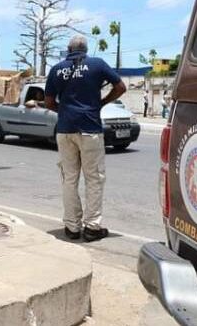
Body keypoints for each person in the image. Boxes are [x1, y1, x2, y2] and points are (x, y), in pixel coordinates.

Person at [45, 35, 127, 242]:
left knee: (69, 179)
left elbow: (48, 102)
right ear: (86, 49)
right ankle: (92, 227)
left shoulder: (56, 69)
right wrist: (102, 103)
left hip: (64, 130)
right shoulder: (97, 64)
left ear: (68, 49)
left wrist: (64, 110)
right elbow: (121, 87)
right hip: (90, 129)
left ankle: (72, 227)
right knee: (94, 178)